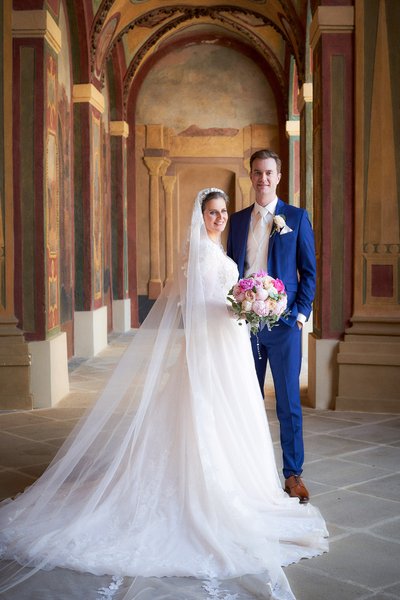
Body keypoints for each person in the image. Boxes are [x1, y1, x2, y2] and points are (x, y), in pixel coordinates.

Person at [0, 188, 327, 600]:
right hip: (211, 349)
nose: (221, 218)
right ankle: (204, 491)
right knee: (203, 414)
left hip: (230, 347)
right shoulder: (200, 257)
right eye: (213, 213)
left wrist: (250, 304)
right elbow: (198, 306)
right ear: (201, 216)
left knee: (239, 414)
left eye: (224, 212)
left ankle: (251, 482)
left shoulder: (218, 250)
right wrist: (243, 305)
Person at [227, 150, 316, 504]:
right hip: (244, 324)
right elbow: (233, 268)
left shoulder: (295, 217)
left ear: (278, 176)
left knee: (288, 403)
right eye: (257, 173)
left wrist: (299, 314)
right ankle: (246, 473)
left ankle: (293, 475)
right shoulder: (235, 221)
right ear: (250, 177)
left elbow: (308, 272)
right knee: (244, 399)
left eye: (268, 173)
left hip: (284, 323)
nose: (262, 179)